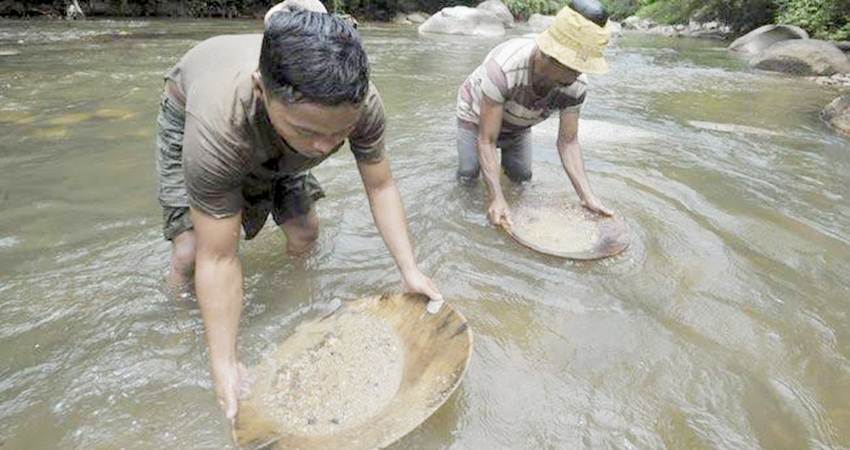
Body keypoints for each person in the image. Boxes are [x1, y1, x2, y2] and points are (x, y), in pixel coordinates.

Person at [154, 9, 443, 421]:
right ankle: (178, 310)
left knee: (305, 231)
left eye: (338, 135)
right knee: (192, 249)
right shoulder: (216, 128)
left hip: (276, 125)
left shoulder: (358, 106)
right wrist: (225, 363)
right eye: (309, 132)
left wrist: (410, 270)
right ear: (261, 89)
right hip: (192, 111)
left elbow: (380, 185)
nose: (324, 148)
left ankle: (295, 298)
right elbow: (220, 256)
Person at [455, 0, 614, 228]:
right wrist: (496, 198)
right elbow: (487, 139)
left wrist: (587, 196)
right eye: (572, 67)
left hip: (519, 121)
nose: (578, 74)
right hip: (475, 115)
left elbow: (568, 143)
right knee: (468, 173)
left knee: (522, 177)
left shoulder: (575, 85)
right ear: (548, 55)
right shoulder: (502, 70)